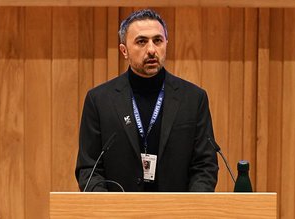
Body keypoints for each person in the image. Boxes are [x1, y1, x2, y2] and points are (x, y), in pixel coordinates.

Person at [75, 9, 218, 192]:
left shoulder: (193, 98)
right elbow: (89, 169)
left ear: (166, 44)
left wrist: (190, 209)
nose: (151, 50)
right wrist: (108, 210)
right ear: (124, 50)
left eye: (157, 40)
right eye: (141, 42)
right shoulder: (99, 100)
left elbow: (205, 166)